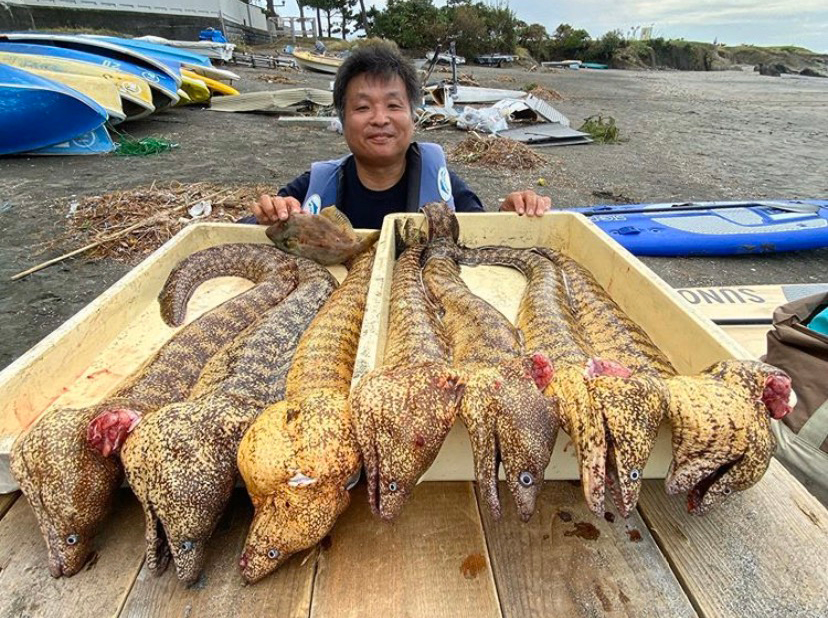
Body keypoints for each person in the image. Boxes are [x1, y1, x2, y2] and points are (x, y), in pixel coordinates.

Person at [248, 42, 551, 229]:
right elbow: (253, 227)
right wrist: (269, 214)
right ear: (342, 119)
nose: (380, 119)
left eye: (393, 105)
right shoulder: (313, 185)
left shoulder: (445, 186)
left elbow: (481, 236)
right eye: (363, 107)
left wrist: (508, 215)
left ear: (413, 117)